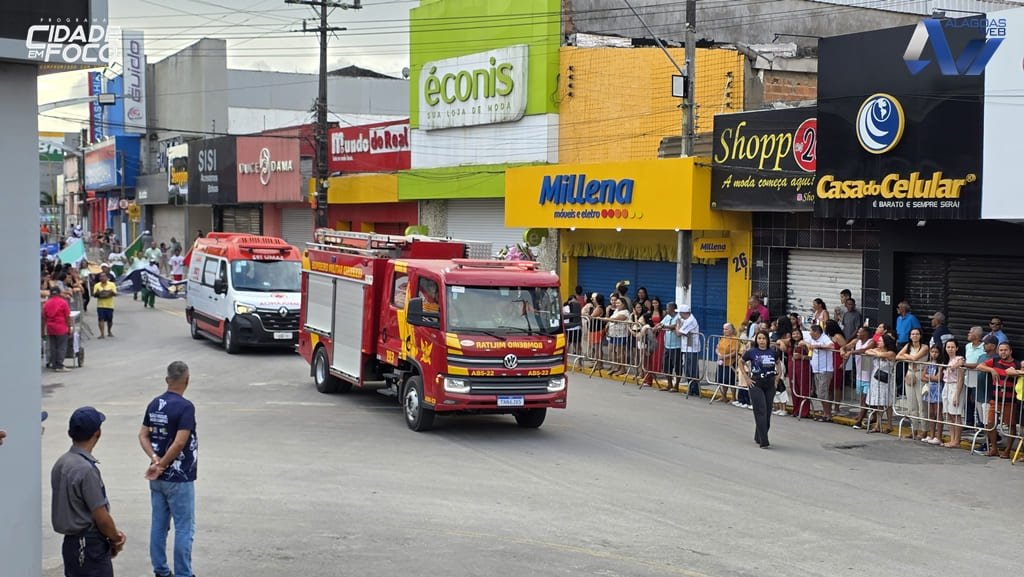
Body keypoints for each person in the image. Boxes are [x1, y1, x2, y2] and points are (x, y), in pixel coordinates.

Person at [51, 407, 127, 577]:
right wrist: (116, 538)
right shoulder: (86, 470)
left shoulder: (61, 463)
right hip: (89, 546)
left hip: (70, 545)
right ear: (98, 433)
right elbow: (101, 517)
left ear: (70, 433)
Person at [139, 361, 199, 577]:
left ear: (167, 380)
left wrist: (155, 460)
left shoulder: (155, 404)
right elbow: (180, 442)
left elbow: (143, 435)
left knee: (159, 524)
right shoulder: (185, 407)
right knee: (184, 527)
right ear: (187, 380)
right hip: (179, 477)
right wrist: (163, 464)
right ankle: (183, 573)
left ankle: (161, 570)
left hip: (157, 477)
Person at [739, 331, 783, 448]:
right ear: (756, 340)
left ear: (767, 340)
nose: (761, 341)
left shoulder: (773, 352)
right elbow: (741, 362)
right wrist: (746, 377)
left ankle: (758, 435)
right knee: (761, 411)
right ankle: (764, 440)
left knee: (767, 412)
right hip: (756, 383)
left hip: (770, 384)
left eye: (764, 338)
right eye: (759, 338)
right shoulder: (752, 352)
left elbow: (778, 363)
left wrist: (777, 377)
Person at [976, 342, 1019, 459]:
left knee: (1011, 425)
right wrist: (991, 370)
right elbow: (979, 366)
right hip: (995, 399)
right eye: (1001, 350)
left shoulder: (1016, 364)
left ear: (1010, 351)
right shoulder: (995, 361)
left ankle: (1007, 450)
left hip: (1010, 400)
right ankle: (994, 448)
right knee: (990, 423)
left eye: (1005, 350)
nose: (1003, 352)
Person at [895, 328, 929, 439]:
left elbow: (915, 357)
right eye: (913, 334)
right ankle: (914, 429)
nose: (915, 336)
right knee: (911, 404)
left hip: (920, 373)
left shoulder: (924, 347)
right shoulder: (908, 346)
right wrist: (909, 358)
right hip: (910, 373)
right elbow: (898, 356)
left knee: (922, 404)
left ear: (920, 335)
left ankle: (924, 430)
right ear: (910, 336)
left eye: (917, 334)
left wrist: (906, 356)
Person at [843, 326, 876, 429]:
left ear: (865, 333)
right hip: (860, 373)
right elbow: (845, 347)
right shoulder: (856, 341)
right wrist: (842, 351)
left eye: (860, 332)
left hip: (869, 375)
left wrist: (851, 352)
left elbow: (864, 350)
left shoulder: (871, 342)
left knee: (865, 398)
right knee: (862, 398)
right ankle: (870, 415)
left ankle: (860, 420)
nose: (857, 334)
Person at [864, 333, 897, 434]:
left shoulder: (891, 353)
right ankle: (878, 424)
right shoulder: (878, 350)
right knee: (878, 403)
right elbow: (867, 351)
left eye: (880, 341)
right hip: (876, 378)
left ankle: (889, 424)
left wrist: (877, 353)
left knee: (887, 402)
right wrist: (876, 352)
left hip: (886, 379)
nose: (878, 342)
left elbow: (881, 355)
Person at [939, 338, 967, 448]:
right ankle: (952, 438)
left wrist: (956, 395)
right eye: (948, 347)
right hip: (947, 385)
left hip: (955, 386)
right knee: (950, 414)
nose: (950, 349)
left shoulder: (959, 359)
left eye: (952, 347)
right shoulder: (946, 360)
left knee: (956, 414)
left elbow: (961, 379)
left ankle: (956, 440)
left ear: (957, 348)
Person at [806, 324, 836, 422]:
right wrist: (808, 345)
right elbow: (804, 342)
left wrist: (818, 346)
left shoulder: (824, 338)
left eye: (811, 331)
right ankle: (825, 413)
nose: (810, 333)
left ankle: (828, 414)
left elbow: (831, 346)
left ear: (816, 332)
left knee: (822, 393)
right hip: (816, 369)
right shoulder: (811, 338)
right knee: (820, 393)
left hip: (825, 369)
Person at [43, 287, 73, 372]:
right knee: (61, 346)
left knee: (53, 346)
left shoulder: (46, 303)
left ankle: (54, 364)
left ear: (50, 293)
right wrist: (69, 327)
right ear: (59, 293)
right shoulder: (63, 302)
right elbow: (67, 317)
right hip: (61, 327)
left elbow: (44, 317)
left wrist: (43, 330)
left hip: (50, 328)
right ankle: (59, 365)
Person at [920, 346, 944, 445]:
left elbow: (938, 378)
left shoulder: (940, 364)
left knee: (937, 413)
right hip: (929, 388)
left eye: (936, 352)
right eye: (932, 351)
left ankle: (939, 436)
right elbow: (922, 377)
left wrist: (928, 376)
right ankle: (932, 434)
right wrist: (930, 377)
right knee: (931, 413)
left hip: (937, 389)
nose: (934, 354)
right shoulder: (928, 363)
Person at [658, 302, 684, 392]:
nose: (666, 310)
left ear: (673, 308)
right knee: (666, 366)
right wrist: (654, 328)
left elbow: (674, 326)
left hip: (676, 346)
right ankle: (669, 384)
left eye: (668, 308)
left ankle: (677, 385)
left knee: (677, 366)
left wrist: (664, 326)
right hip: (667, 345)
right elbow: (660, 324)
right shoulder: (667, 317)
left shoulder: (679, 317)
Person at [714, 323, 742, 404]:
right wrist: (718, 354)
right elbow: (717, 347)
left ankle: (733, 397)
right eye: (724, 329)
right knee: (722, 380)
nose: (724, 331)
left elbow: (734, 352)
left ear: (731, 330)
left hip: (730, 363)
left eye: (726, 329)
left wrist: (725, 356)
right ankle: (724, 396)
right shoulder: (723, 338)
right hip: (722, 362)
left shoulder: (734, 339)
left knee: (731, 380)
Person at [92, 272, 117, 339]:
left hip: (109, 305)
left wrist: (107, 293)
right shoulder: (97, 285)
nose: (102, 278)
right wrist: (101, 293)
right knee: (101, 319)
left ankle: (109, 331)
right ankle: (102, 334)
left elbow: (114, 293)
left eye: (104, 276)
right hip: (100, 305)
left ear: (107, 277)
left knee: (110, 320)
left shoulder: (112, 284)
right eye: (101, 277)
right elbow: (94, 294)